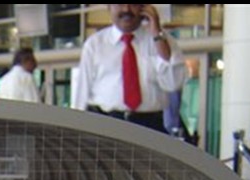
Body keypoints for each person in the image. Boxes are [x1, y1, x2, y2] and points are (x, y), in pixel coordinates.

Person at [72, 4, 186, 133]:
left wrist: (157, 34)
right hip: (105, 125)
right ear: (109, 7)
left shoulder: (162, 41)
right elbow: (81, 94)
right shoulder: (95, 44)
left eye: (133, 4)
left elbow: (173, 84)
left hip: (149, 127)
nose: (126, 9)